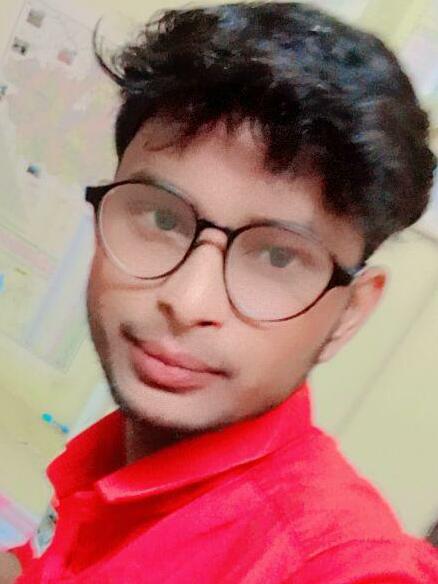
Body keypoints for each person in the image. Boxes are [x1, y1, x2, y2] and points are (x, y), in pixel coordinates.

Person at [6, 2, 438, 582]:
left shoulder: (336, 566)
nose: (187, 302)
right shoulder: (123, 448)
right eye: (161, 219)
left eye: (278, 256)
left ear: (348, 315)